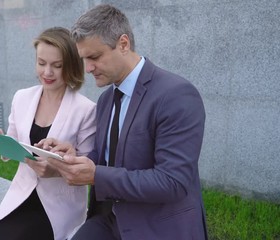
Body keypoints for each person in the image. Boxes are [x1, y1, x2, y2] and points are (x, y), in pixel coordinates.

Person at [39, 4, 208, 240]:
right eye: (84, 59)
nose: (88, 68)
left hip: (158, 226)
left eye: (94, 57)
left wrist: (96, 175)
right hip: (109, 219)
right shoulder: (107, 99)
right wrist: (73, 157)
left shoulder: (177, 95)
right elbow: (109, 156)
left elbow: (173, 182)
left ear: (124, 44)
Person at [0, 27, 96, 240]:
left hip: (59, 205)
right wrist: (1, 142)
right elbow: (14, 145)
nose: (47, 73)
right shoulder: (22, 97)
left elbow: (88, 168)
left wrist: (55, 170)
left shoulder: (86, 109)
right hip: (21, 194)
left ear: (71, 65)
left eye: (57, 65)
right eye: (41, 63)